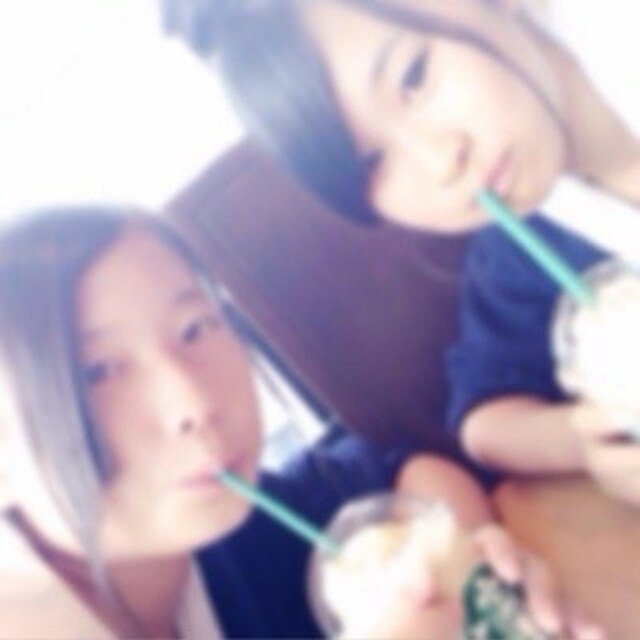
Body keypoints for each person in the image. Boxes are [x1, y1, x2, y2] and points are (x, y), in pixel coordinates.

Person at [0, 205, 599, 638]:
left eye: (195, 328)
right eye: (97, 373)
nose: (192, 402)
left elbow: (394, 476)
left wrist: (451, 564)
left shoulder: (225, 532)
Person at [162, 0, 640, 504]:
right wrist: (587, 441)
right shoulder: (530, 235)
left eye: (414, 76)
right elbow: (482, 419)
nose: (440, 161)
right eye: (373, 162)